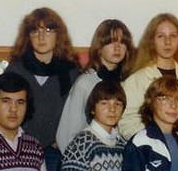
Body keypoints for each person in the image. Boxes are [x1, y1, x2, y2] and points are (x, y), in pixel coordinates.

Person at [118, 13, 178, 171]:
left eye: (173, 36)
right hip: (153, 163)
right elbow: (127, 124)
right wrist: (169, 136)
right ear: (152, 40)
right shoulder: (137, 80)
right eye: (161, 36)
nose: (167, 42)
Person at [5, 7, 80, 171]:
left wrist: (62, 139)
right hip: (20, 148)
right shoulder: (16, 70)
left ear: (58, 35)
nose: (41, 37)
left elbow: (76, 114)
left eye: (48, 30)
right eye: (35, 31)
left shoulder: (70, 72)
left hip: (54, 152)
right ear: (28, 36)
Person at [55, 19, 134, 151]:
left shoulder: (128, 83)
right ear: (99, 48)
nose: (117, 47)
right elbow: (66, 134)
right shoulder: (85, 83)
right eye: (111, 42)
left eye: (122, 42)